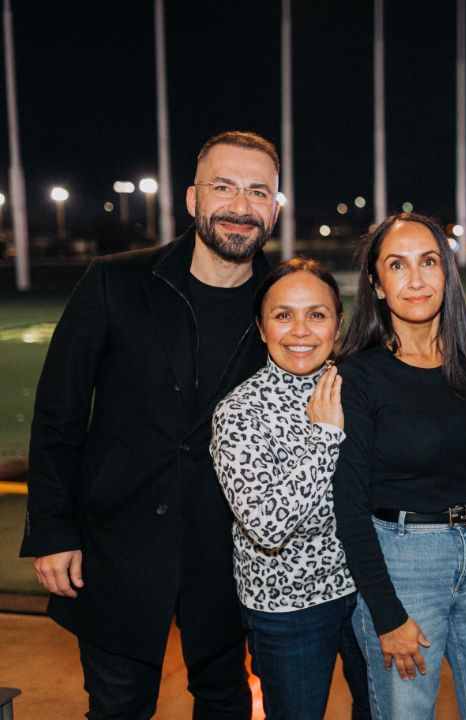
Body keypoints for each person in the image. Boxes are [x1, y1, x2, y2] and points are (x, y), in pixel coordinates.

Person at [20, 130, 283, 717]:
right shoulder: (115, 282)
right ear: (192, 199)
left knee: (226, 704)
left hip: (234, 554)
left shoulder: (286, 299)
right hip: (118, 546)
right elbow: (59, 414)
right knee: (116, 709)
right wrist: (53, 531)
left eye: (258, 192)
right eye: (224, 188)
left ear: (274, 206)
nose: (241, 208)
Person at [332, 212, 466, 719]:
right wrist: (386, 614)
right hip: (401, 563)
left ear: (447, 272)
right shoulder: (358, 374)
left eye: (429, 261)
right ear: (377, 286)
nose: (416, 278)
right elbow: (349, 503)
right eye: (397, 265)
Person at [211, 258, 370, 719]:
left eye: (316, 314)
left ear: (338, 324)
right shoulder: (240, 413)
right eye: (283, 315)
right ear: (262, 328)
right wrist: (323, 438)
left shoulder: (356, 385)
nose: (300, 329)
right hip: (288, 608)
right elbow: (267, 526)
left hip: (366, 591)